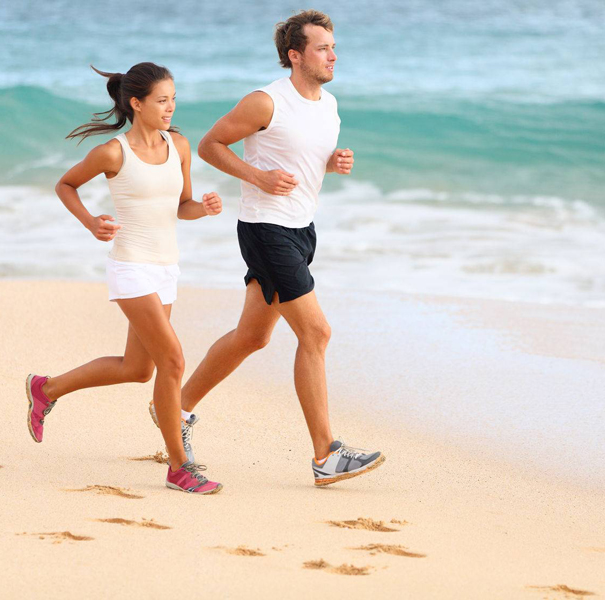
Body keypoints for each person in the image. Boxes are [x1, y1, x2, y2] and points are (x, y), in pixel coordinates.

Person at [149, 10, 384, 486]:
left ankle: (174, 409)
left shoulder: (329, 105)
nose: (332, 55)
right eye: (322, 47)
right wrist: (257, 177)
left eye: (333, 47)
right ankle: (326, 455)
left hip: (301, 229)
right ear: (295, 56)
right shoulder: (265, 102)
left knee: (252, 336)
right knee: (316, 334)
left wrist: (333, 163)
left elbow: (303, 159)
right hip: (266, 228)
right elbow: (213, 145)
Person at [25, 62, 224, 495]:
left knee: (138, 369)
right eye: (162, 100)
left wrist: (204, 208)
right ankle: (179, 467)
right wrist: (90, 222)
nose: (170, 108)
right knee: (173, 361)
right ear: (136, 103)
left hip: (166, 267)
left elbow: (182, 205)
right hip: (131, 266)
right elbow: (66, 185)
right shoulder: (114, 152)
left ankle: (46, 388)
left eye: (173, 98)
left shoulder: (180, 146)